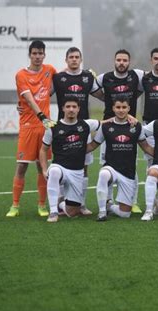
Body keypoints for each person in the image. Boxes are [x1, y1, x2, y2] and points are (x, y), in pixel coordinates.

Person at [95, 49, 158, 213]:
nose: (121, 63)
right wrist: (109, 102)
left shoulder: (137, 75)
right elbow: (94, 89)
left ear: (129, 62)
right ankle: (108, 201)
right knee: (106, 164)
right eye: (119, 60)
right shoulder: (105, 77)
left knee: (130, 162)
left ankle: (133, 201)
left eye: (125, 60)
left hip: (129, 125)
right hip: (109, 126)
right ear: (114, 61)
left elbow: (156, 72)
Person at [6, 40, 57, 218]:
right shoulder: (21, 75)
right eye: (34, 53)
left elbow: (62, 83)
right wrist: (42, 116)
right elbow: (29, 99)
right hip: (28, 126)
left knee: (42, 166)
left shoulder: (50, 70)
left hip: (45, 128)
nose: (37, 56)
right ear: (30, 55)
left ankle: (42, 205)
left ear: (44, 55)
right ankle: (15, 206)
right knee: (21, 167)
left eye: (40, 53)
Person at [53, 47, 104, 216]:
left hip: (83, 128)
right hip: (62, 129)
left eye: (77, 57)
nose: (74, 59)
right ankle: (60, 201)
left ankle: (81, 204)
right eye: (71, 57)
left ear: (81, 59)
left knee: (84, 167)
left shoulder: (88, 77)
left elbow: (102, 96)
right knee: (60, 165)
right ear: (66, 60)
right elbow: (44, 95)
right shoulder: (59, 78)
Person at [86, 97, 153, 221]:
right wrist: (73, 150)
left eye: (124, 107)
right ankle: (102, 212)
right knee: (104, 174)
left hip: (128, 172)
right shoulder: (106, 127)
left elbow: (146, 147)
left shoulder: (136, 126)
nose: (121, 110)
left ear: (129, 108)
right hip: (111, 167)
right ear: (113, 108)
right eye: (118, 107)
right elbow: (92, 145)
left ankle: (109, 206)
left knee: (125, 214)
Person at [38, 97, 100, 223]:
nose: (71, 109)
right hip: (59, 167)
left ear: (78, 109)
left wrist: (94, 144)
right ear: (63, 109)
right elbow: (43, 150)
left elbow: (107, 123)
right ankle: (53, 211)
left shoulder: (86, 124)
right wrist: (44, 170)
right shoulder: (53, 127)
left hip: (77, 172)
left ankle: (61, 203)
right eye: (68, 107)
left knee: (73, 213)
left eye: (74, 107)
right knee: (54, 172)